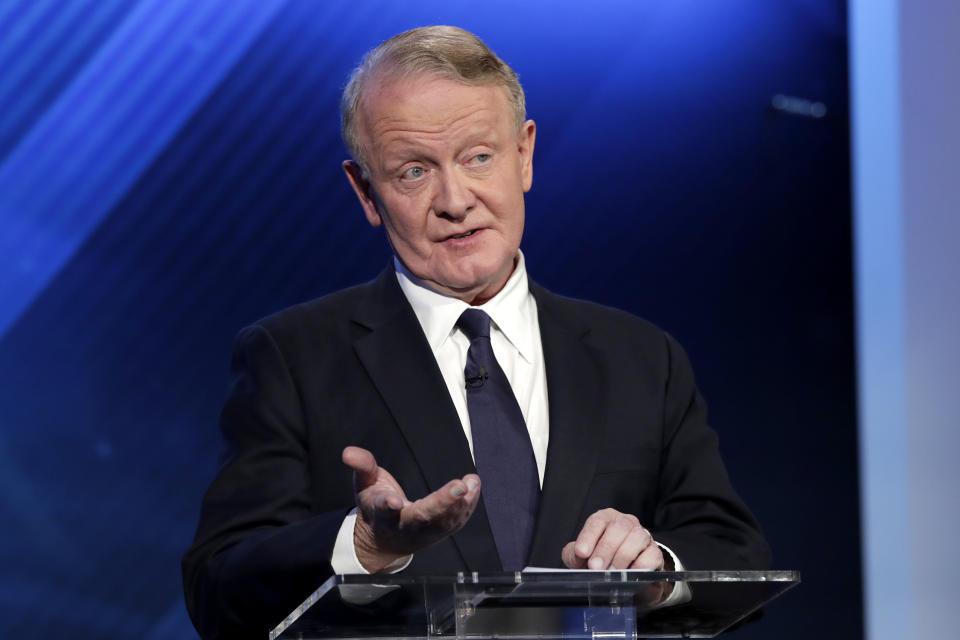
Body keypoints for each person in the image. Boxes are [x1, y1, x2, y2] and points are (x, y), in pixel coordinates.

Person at [182, 25, 770, 640]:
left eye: (478, 157)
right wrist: (363, 548)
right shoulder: (294, 357)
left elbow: (733, 551)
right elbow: (218, 587)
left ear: (525, 155)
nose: (455, 200)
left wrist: (655, 571)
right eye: (413, 171)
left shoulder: (640, 357)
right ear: (366, 192)